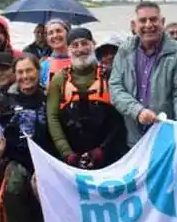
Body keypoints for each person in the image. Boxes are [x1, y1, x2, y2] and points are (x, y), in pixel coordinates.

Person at [109, 2, 177, 148]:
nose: (148, 25)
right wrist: (137, 111)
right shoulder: (124, 50)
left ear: (163, 22)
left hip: (165, 138)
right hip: (133, 138)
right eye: (143, 20)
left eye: (153, 19)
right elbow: (115, 88)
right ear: (134, 25)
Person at [47, 28, 127, 169]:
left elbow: (120, 116)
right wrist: (67, 153)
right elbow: (52, 117)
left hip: (107, 154)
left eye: (85, 43)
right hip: (73, 156)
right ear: (68, 49)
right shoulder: (59, 79)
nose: (80, 49)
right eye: (75, 45)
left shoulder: (109, 75)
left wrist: (103, 150)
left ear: (93, 45)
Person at [0, 54, 54, 171]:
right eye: (20, 72)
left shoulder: (49, 97)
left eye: (29, 71)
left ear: (39, 71)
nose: (25, 76)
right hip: (15, 165)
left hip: (46, 161)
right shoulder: (5, 99)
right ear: (15, 75)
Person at [39, 19, 72, 86]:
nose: (55, 35)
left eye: (58, 31)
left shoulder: (79, 61)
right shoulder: (44, 66)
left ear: (67, 34)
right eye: (50, 33)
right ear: (47, 39)